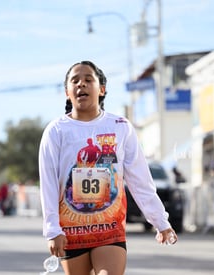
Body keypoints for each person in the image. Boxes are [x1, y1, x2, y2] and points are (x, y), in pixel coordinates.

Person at [39, 61, 177, 275]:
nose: (81, 85)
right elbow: (48, 184)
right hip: (71, 231)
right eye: (74, 81)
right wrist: (52, 230)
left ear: (101, 89)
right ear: (67, 92)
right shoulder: (56, 131)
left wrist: (160, 221)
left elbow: (140, 180)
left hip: (109, 229)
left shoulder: (120, 127)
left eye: (88, 80)